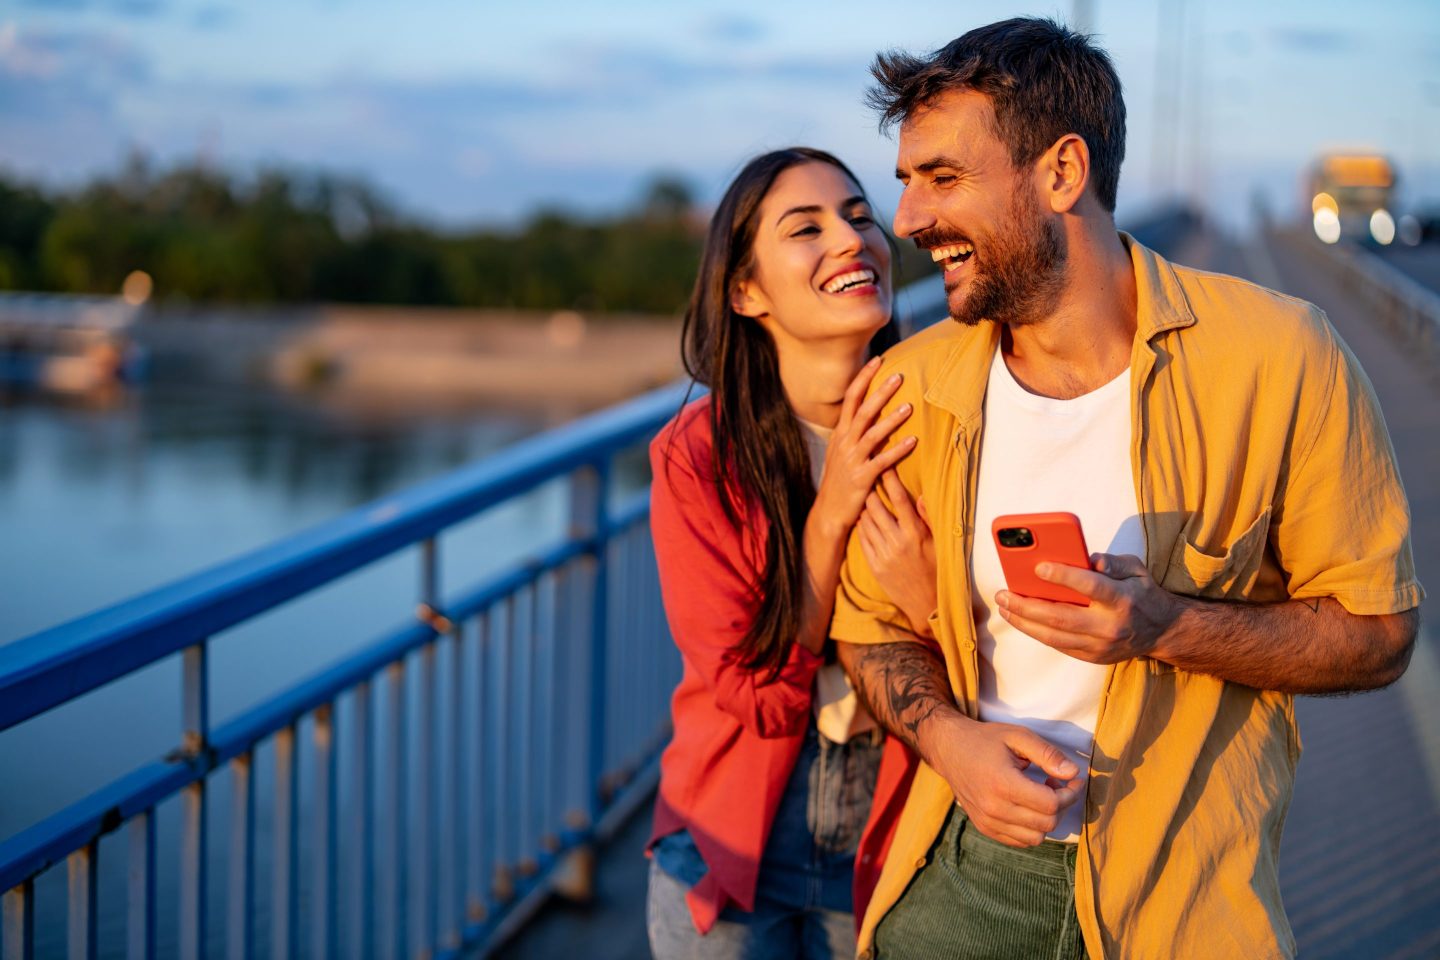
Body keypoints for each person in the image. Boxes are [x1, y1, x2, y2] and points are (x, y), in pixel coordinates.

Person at [830, 18, 1424, 960]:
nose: (905, 219)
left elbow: (1382, 634)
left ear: (1062, 173)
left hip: (1184, 902)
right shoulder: (912, 387)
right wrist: (949, 741)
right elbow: (866, 629)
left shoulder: (1281, 358)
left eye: (942, 179)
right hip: (969, 876)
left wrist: (1166, 628)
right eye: (904, 182)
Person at [646, 147, 935, 959]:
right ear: (746, 291)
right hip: (732, 842)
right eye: (805, 228)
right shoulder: (697, 457)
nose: (851, 240)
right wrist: (835, 502)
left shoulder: (943, 424)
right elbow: (755, 693)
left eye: (857, 215)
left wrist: (931, 605)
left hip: (893, 837)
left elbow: (1001, 653)